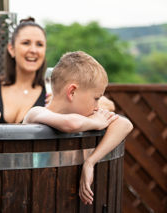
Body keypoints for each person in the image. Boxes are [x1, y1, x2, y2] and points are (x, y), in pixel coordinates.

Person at [23, 51, 133, 205]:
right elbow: (71, 124)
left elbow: (125, 125)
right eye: (96, 98)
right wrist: (96, 123)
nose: (97, 107)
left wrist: (91, 161)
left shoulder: (84, 116)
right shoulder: (36, 113)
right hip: (29, 198)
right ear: (72, 92)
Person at [0, 17, 115, 123]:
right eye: (26, 43)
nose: (33, 50)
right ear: (11, 49)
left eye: (39, 44)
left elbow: (108, 105)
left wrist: (60, 100)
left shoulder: (52, 89)